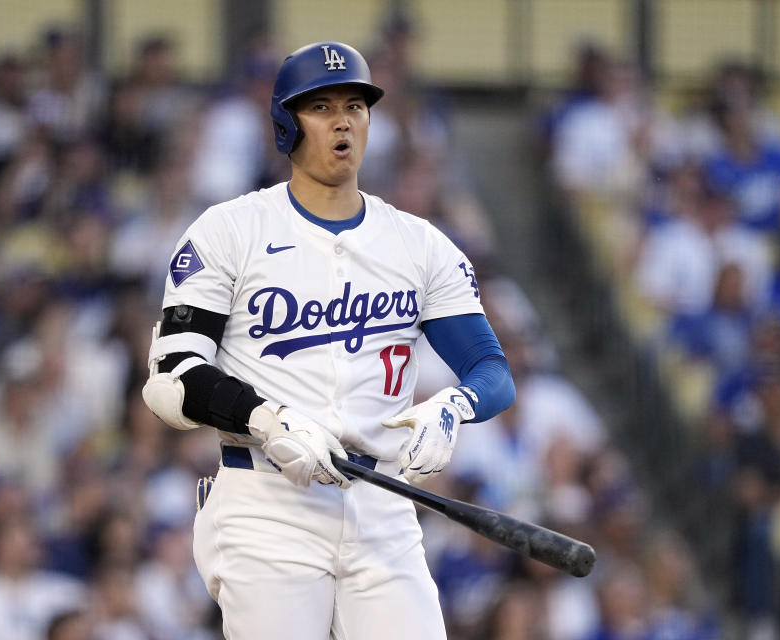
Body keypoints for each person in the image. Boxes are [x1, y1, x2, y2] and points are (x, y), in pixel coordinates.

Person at [140, 41, 515, 639]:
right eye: (320, 106)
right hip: (267, 501)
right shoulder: (231, 230)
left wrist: (453, 407)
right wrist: (265, 418)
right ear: (286, 124)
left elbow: (492, 369)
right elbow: (171, 379)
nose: (342, 120)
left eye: (355, 105)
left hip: (383, 511)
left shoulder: (420, 243)